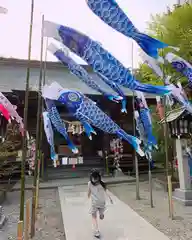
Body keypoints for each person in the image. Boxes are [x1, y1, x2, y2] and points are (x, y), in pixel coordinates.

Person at [88, 169, 113, 238]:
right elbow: (107, 192)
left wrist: (88, 197)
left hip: (94, 203)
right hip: (102, 203)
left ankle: (96, 232)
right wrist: (110, 199)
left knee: (94, 217)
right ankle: (101, 213)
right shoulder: (102, 183)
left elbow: (89, 192)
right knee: (100, 212)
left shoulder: (89, 183)